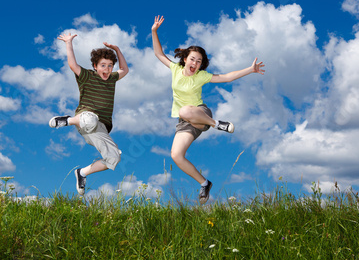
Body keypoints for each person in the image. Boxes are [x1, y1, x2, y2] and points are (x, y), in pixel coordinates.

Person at [151, 15, 265, 204]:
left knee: (185, 111)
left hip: (200, 114)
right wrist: (154, 31)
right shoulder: (175, 69)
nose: (195, 63)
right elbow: (159, 54)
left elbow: (227, 77)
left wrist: (250, 69)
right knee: (176, 156)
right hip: (186, 122)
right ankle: (204, 184)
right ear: (185, 59)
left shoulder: (202, 76)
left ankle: (217, 124)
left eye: (199, 61)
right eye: (192, 59)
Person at [49, 33, 129, 195]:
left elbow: (125, 69)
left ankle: (82, 173)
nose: (106, 69)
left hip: (101, 128)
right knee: (90, 119)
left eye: (109, 66)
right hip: (84, 119)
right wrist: (68, 43)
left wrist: (117, 49)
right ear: (95, 66)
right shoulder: (87, 76)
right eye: (102, 65)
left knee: (114, 158)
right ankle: (67, 120)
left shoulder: (112, 78)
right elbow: (73, 65)